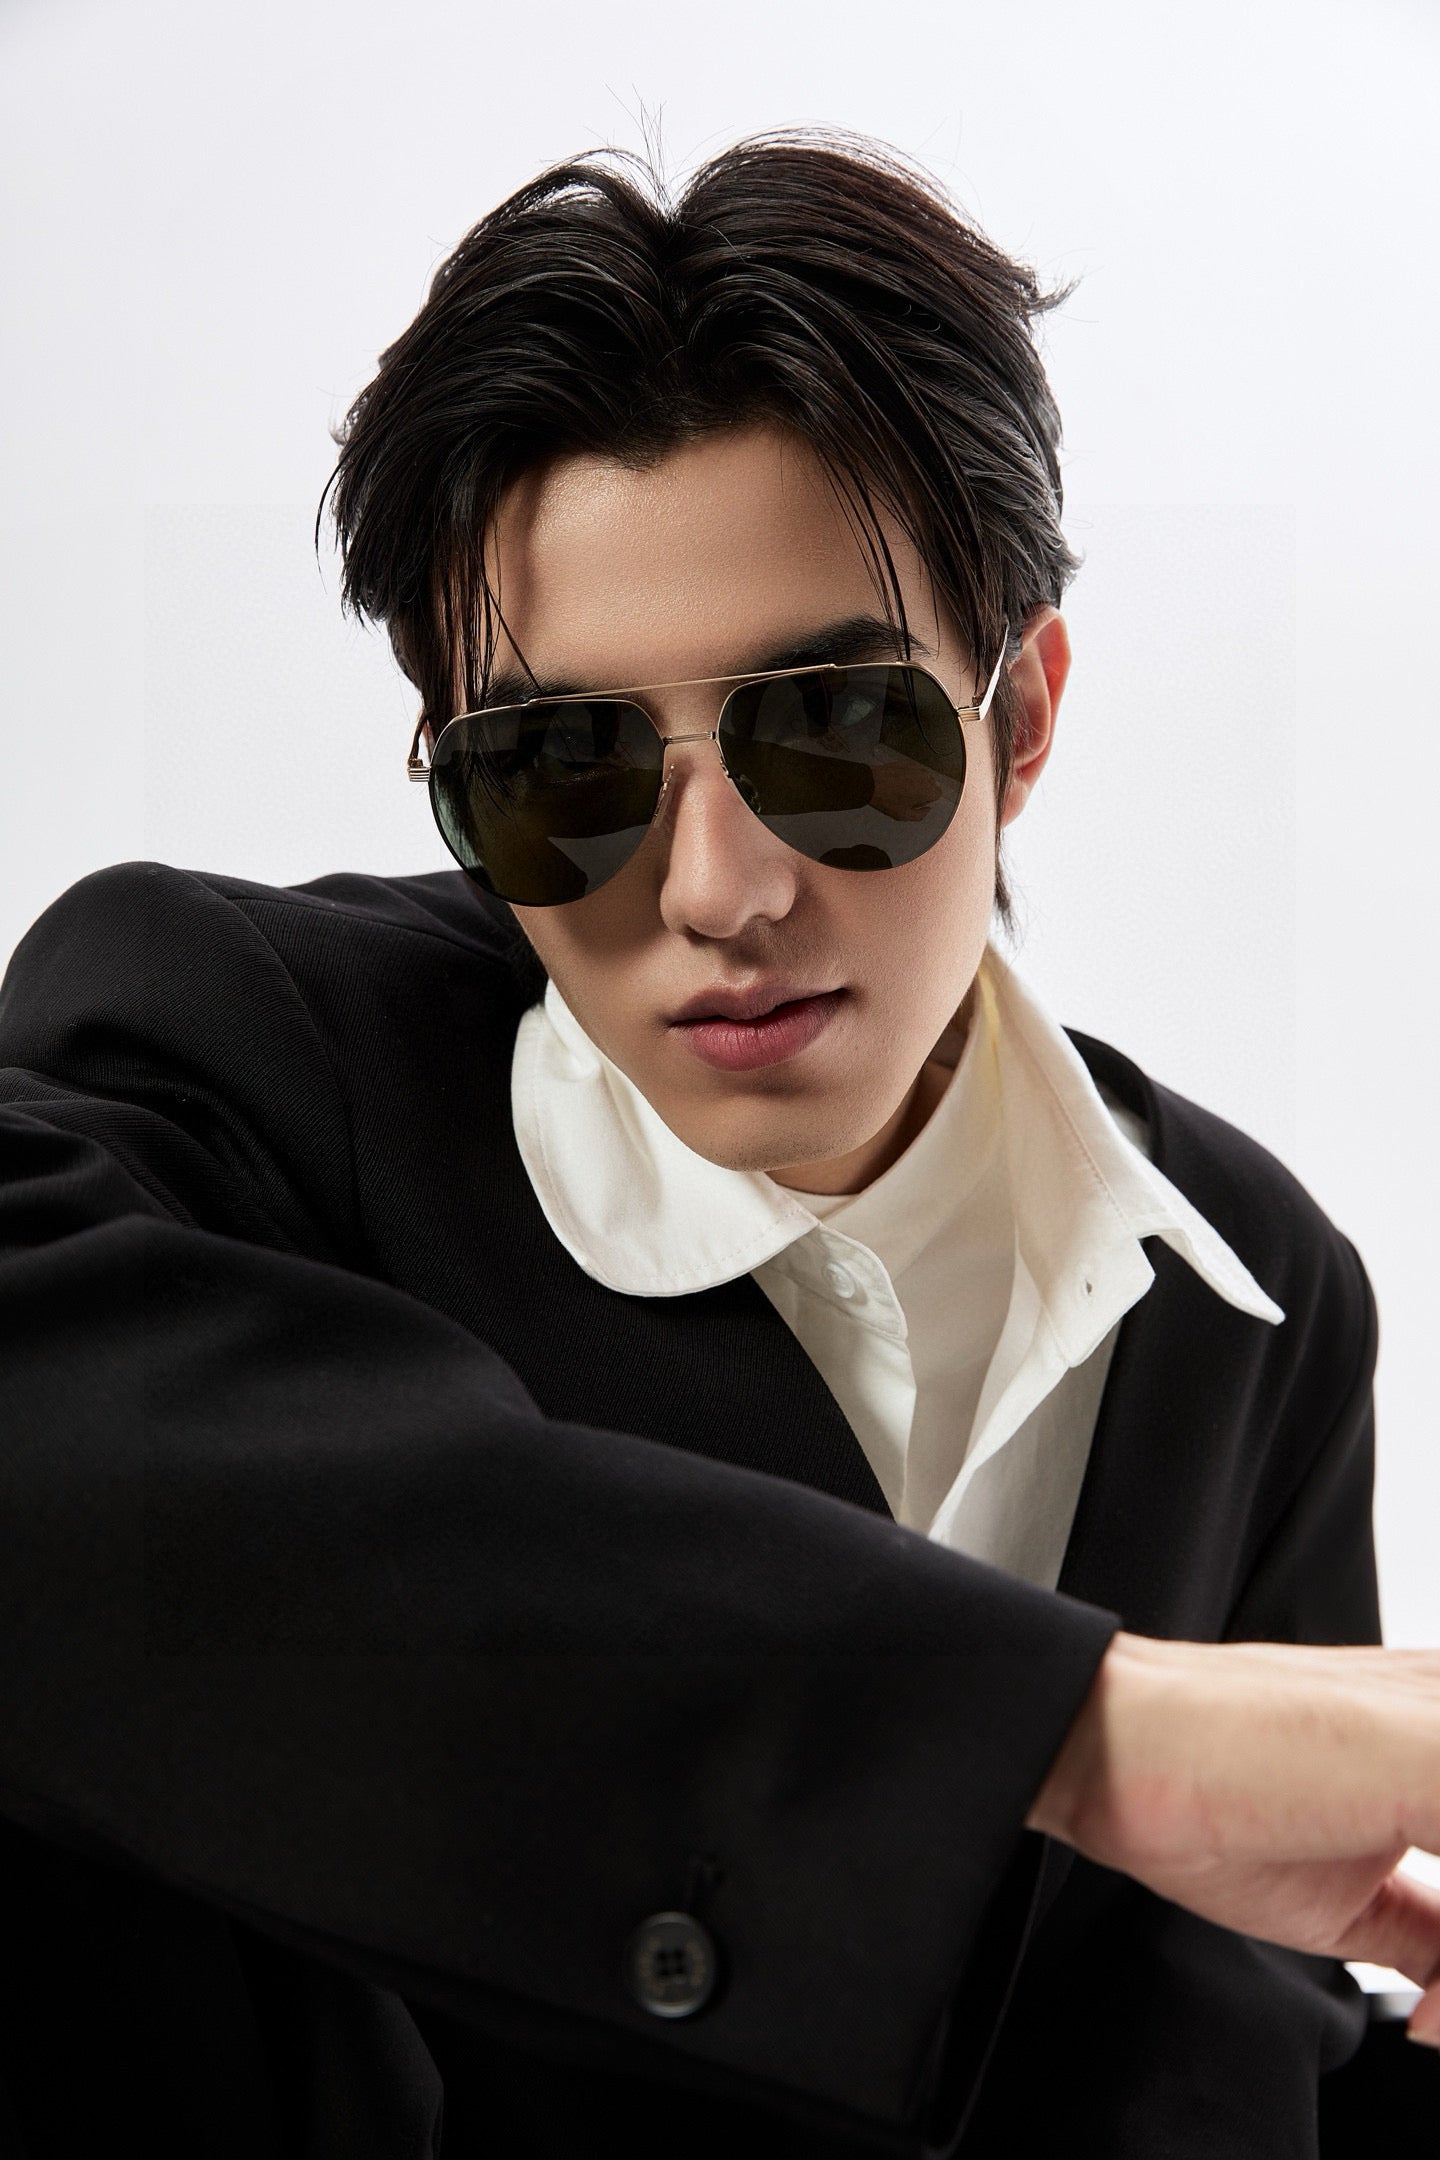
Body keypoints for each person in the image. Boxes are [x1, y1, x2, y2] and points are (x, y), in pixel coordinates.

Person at [0, 133, 1437, 2160]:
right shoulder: (248, 1065)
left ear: (1021, 717)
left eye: (833, 731)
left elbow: (1215, 2057)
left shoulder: (1252, 1297)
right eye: (558, 773)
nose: (716, 891)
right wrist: (1072, 1731)